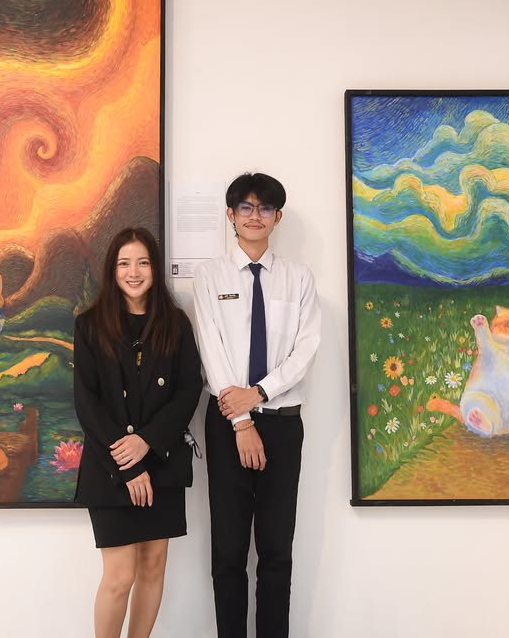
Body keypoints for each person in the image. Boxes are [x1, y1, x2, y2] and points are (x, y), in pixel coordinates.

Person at [193, 173, 322, 638]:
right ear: (231, 215)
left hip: (283, 425)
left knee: (276, 551)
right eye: (245, 207)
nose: (255, 216)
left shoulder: (299, 279)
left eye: (265, 208)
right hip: (228, 425)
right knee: (228, 552)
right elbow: (211, 349)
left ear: (277, 217)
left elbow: (305, 351)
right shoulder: (209, 277)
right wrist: (243, 419)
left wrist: (260, 393)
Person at [73, 227, 203, 638]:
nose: (134, 272)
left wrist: (147, 441)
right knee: (120, 577)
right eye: (124, 263)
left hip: (162, 462)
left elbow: (189, 390)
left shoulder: (175, 324)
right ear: (112, 271)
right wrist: (128, 465)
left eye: (143, 263)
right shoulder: (89, 325)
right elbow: (87, 404)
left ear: (155, 269)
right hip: (110, 468)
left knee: (153, 567)